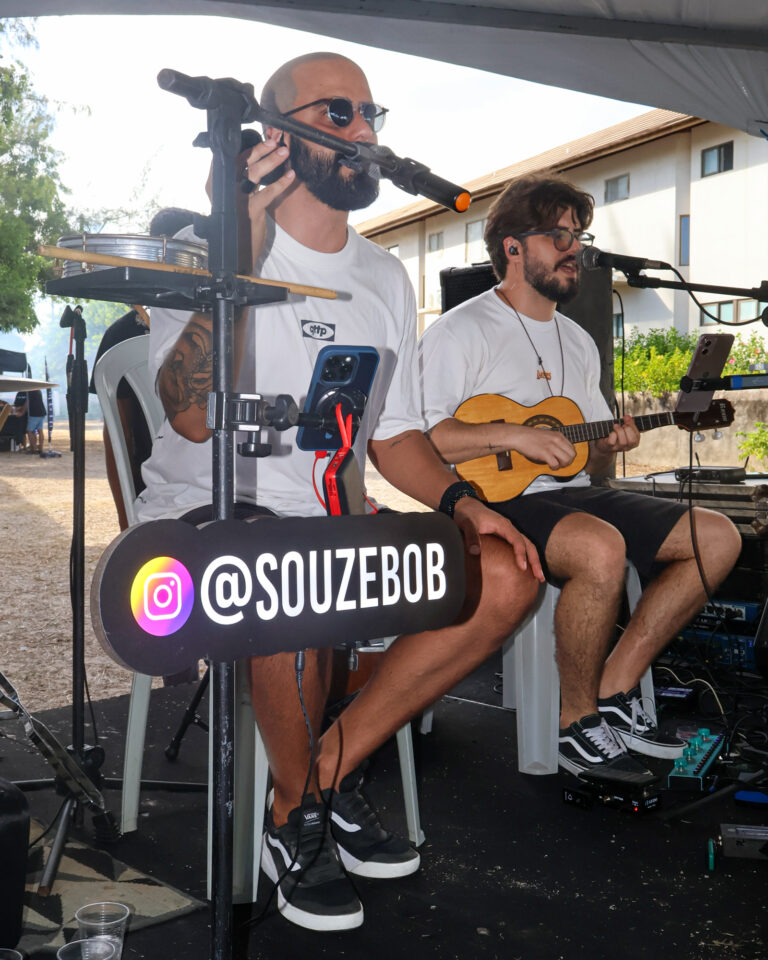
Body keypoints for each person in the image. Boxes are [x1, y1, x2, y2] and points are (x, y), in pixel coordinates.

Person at [136, 53, 541, 932]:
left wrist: (466, 505)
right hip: (205, 521)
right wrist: (240, 245)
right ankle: (299, 811)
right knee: (294, 567)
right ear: (275, 136)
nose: (363, 131)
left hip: (325, 526)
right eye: (338, 113)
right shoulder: (209, 249)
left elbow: (392, 436)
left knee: (508, 573)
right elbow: (193, 417)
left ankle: (314, 781)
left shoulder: (384, 277)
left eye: (370, 114)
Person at [420, 173, 742, 785]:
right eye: (560, 236)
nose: (575, 250)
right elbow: (425, 440)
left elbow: (584, 457)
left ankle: (615, 687)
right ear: (513, 247)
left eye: (579, 236)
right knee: (600, 548)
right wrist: (514, 435)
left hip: (567, 496)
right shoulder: (460, 331)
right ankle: (575, 722)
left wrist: (610, 445)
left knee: (717, 537)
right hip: (486, 500)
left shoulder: (577, 340)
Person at [88, 208, 198, 529]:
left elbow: (116, 437)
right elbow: (117, 436)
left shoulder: (213, 325)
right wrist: (125, 519)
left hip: (180, 489)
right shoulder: (123, 333)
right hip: (156, 490)